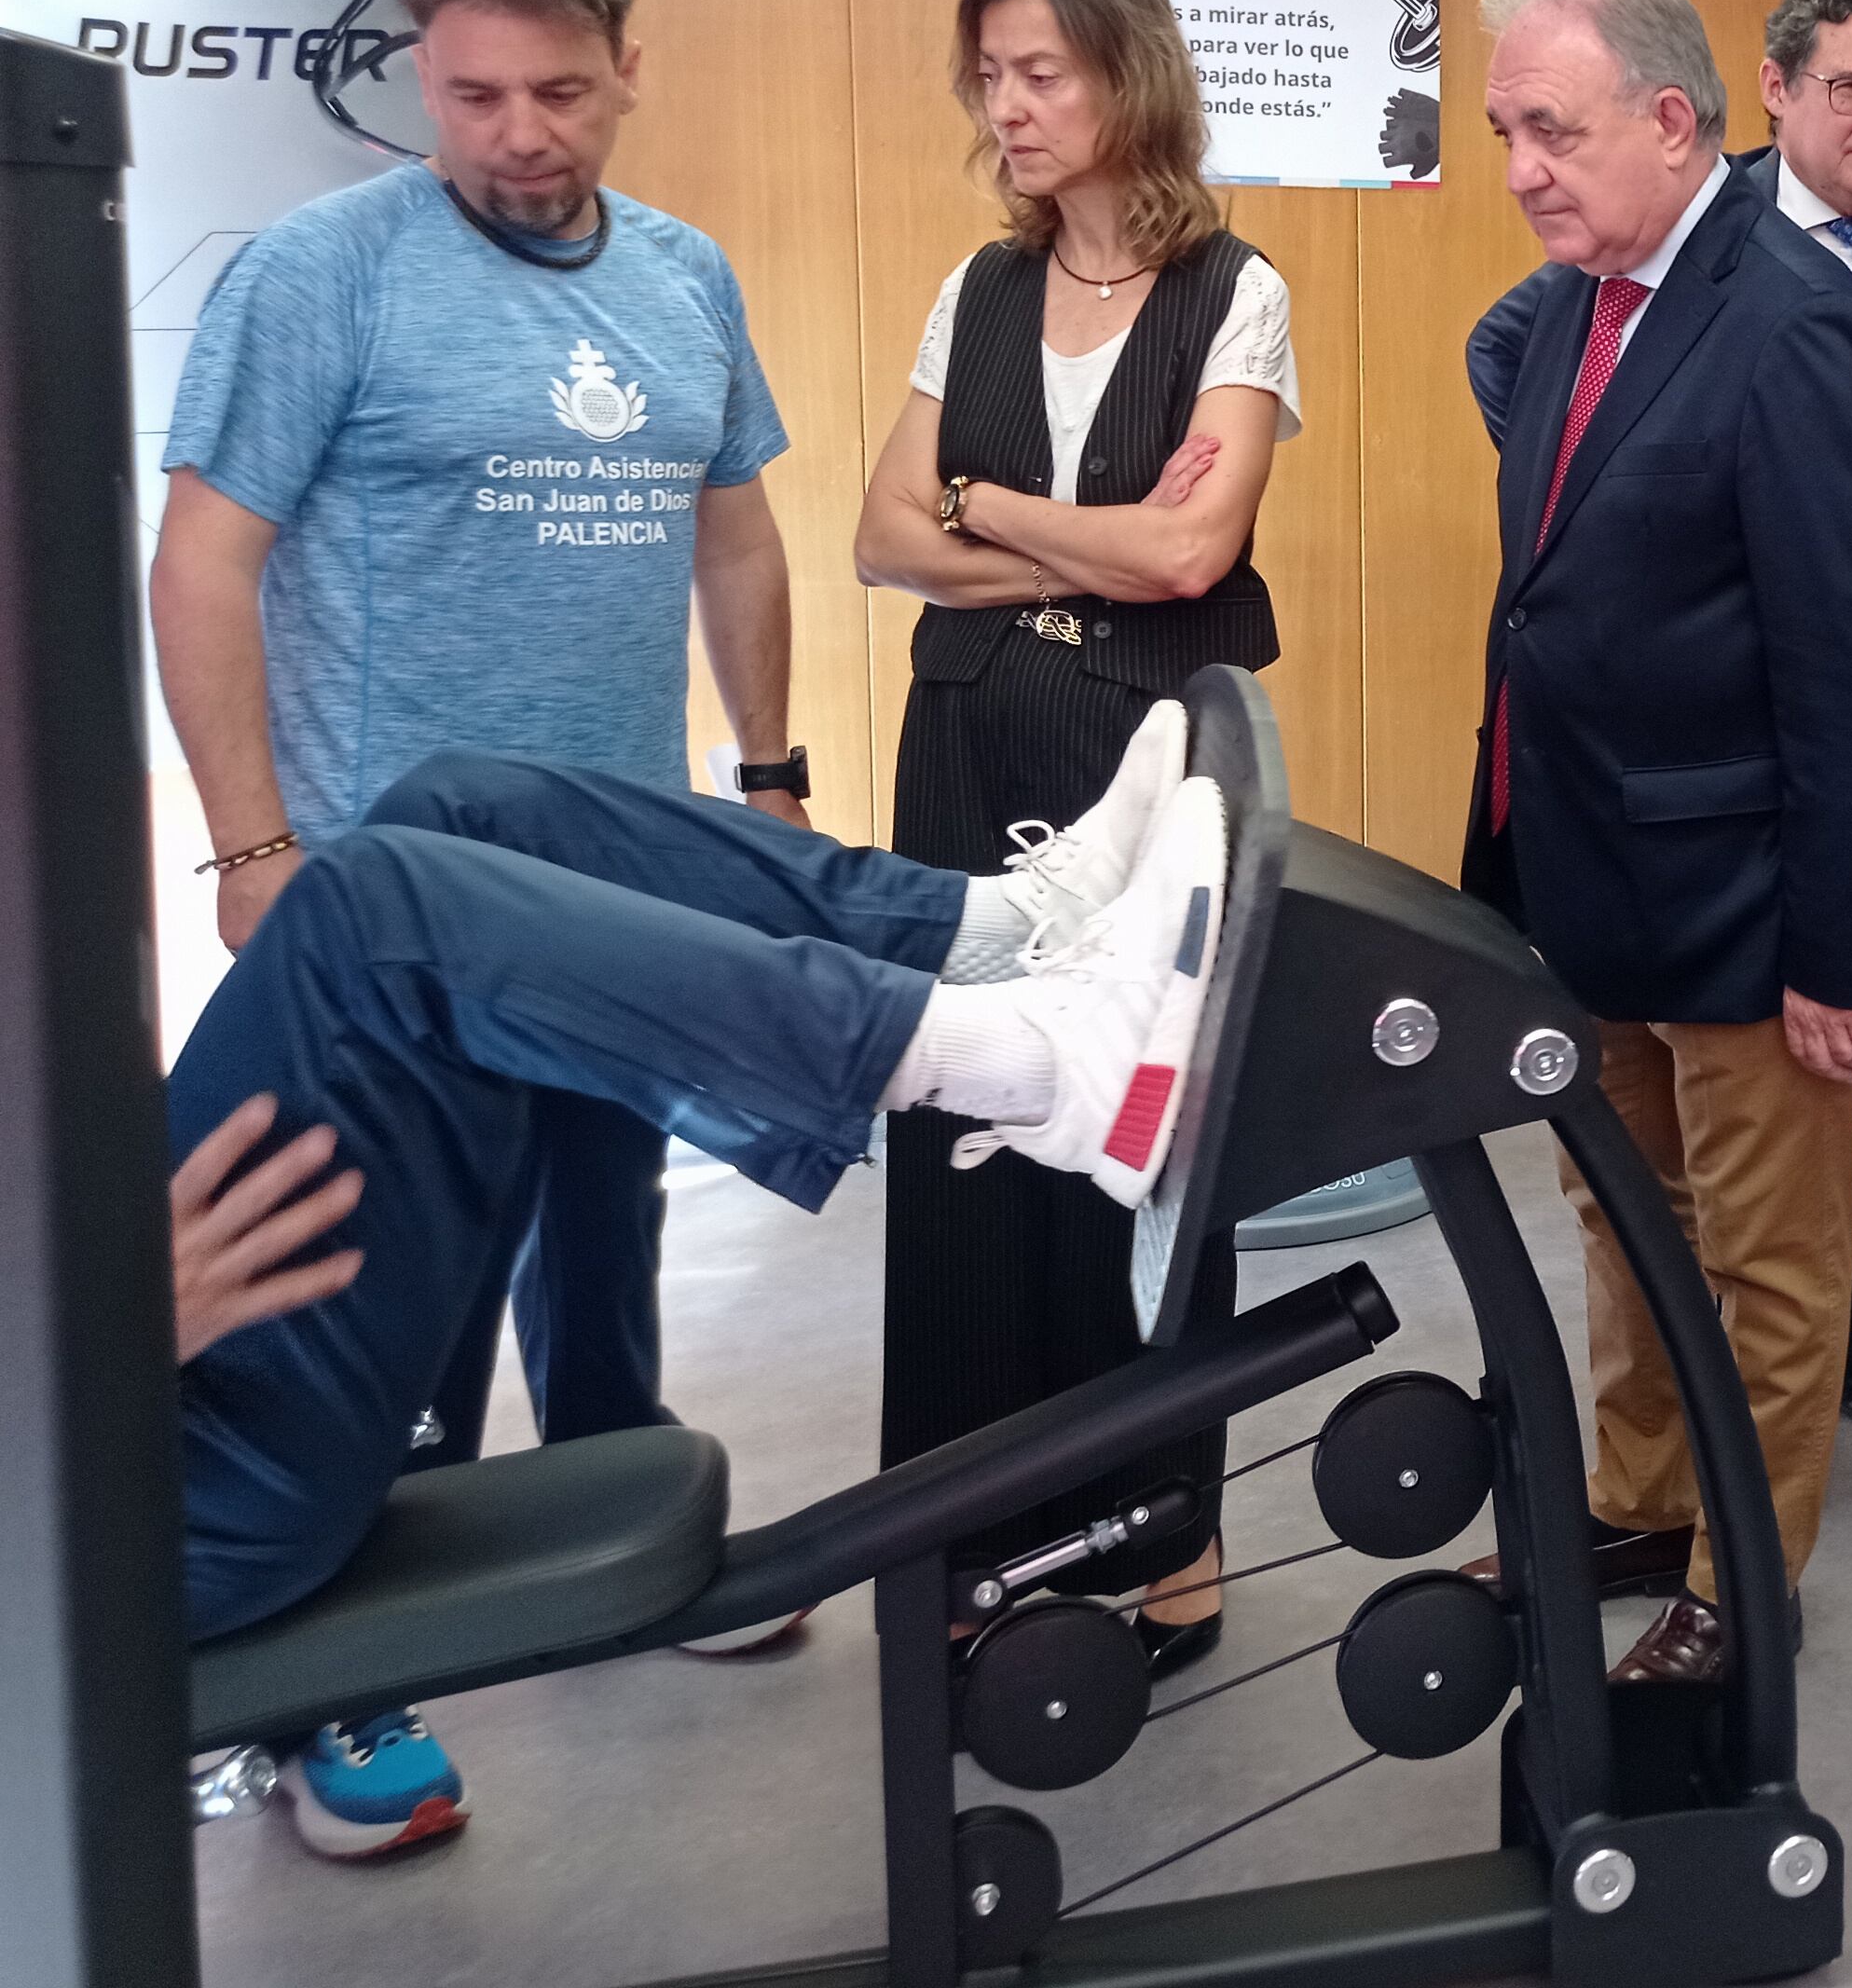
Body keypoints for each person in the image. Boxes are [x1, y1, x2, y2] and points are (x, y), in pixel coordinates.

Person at [147, 0, 803, 1854]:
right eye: (475, 94)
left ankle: (619, 1534)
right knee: (378, 1293)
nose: (519, 133)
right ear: (422, 79)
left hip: (606, 878)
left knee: (607, 1225)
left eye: (561, 92)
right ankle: (340, 1683)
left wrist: (764, 781)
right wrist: (255, 844)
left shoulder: (682, 275)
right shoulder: (320, 273)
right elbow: (203, 562)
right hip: (385, 908)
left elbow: (741, 535)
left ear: (627, 69)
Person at [167, 717, 1220, 1858]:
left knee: (460, 807)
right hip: (132, 1464)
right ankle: (1036, 1069)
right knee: (375, 918)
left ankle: (990, 936)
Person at [1467, 0, 1852, 1446]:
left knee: (1770, 1257)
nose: (1519, 171)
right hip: (1602, 864)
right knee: (1627, 1227)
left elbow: (1850, 669)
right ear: (1774, 92)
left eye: (1551, 133)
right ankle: (1641, 1513)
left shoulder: (1794, 316)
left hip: (1755, 859)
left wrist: (1835, 949)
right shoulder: (1583, 302)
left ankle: (1737, 1610)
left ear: (1670, 120)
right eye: (1504, 133)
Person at [854, 0, 1295, 1680]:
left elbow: (1197, 550)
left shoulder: (1236, 288)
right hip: (965, 748)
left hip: (1151, 762)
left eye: (1041, 71)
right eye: (990, 76)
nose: (1008, 106)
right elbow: (883, 542)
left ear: (1127, 76)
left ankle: (1166, 1545)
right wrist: (1065, 534)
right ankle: (968, 1535)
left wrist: (984, 499)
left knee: (1142, 1129)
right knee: (962, 1127)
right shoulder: (974, 287)